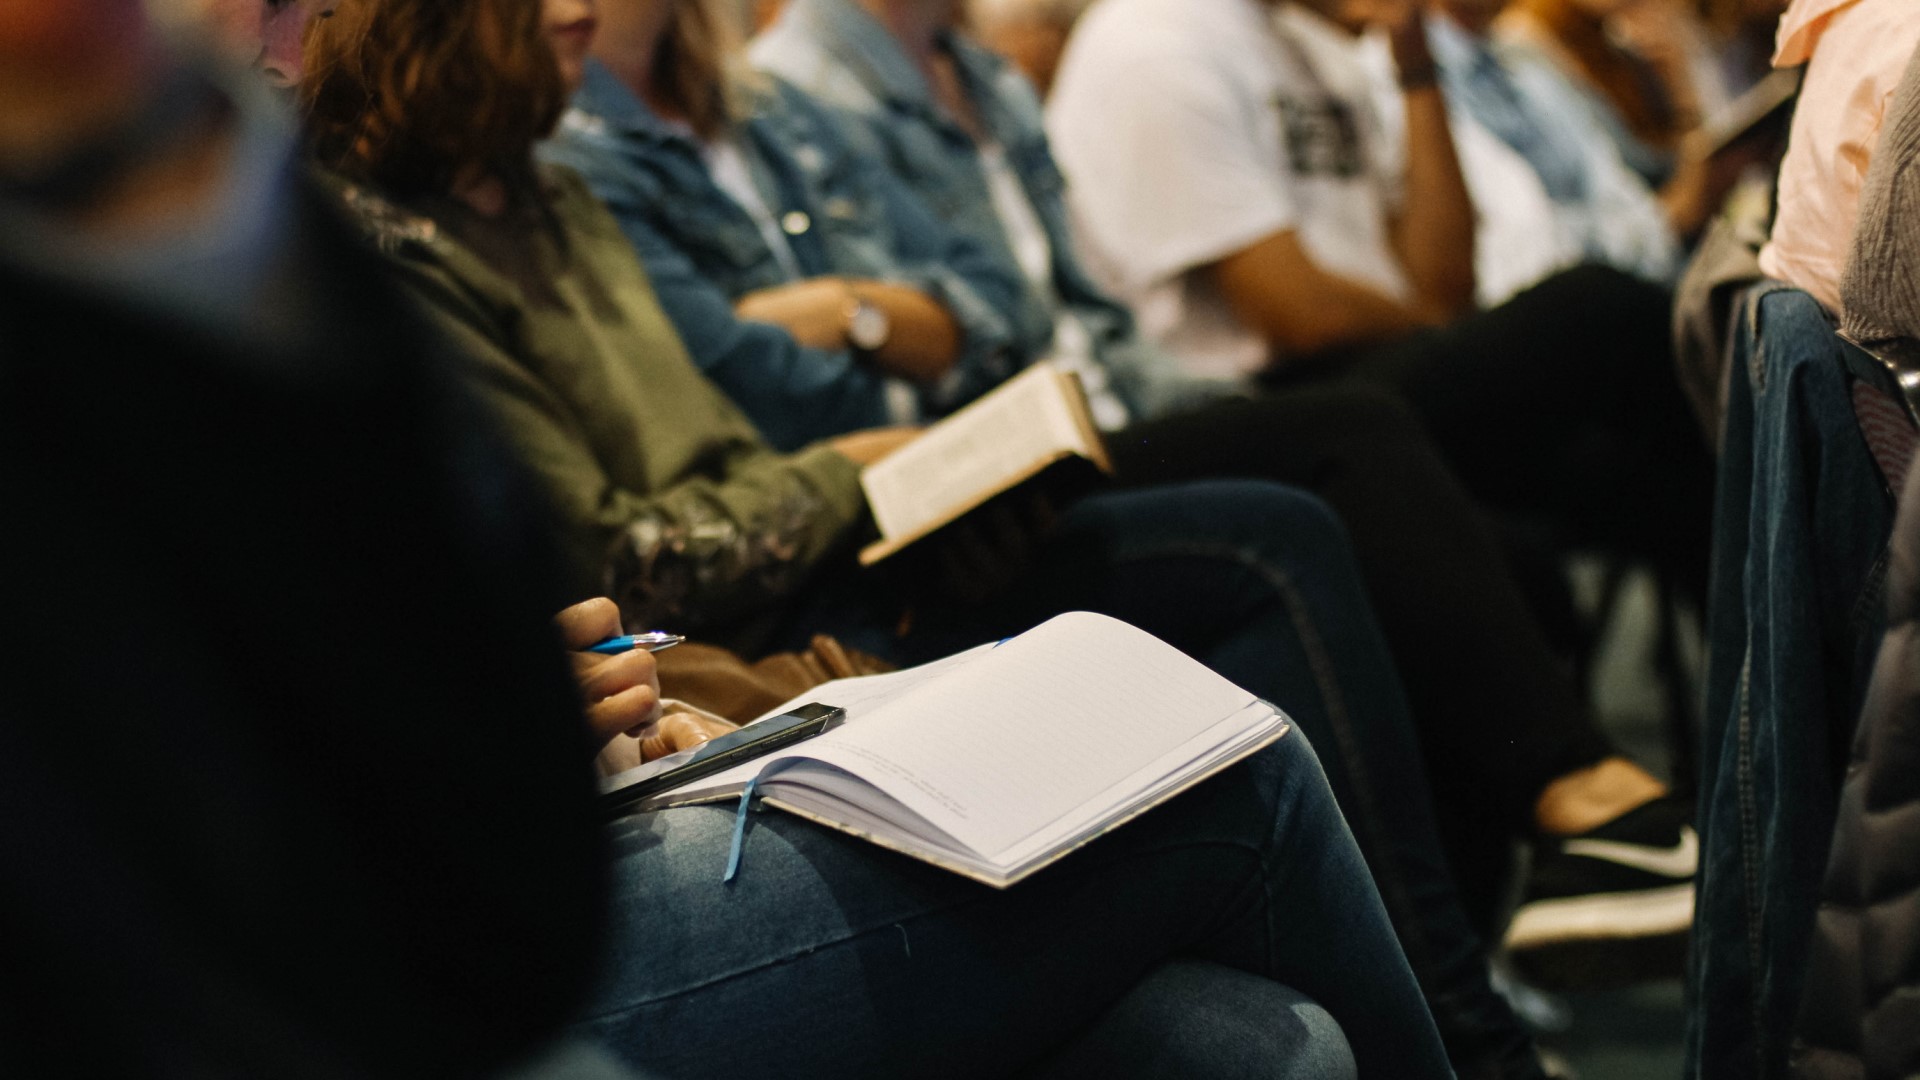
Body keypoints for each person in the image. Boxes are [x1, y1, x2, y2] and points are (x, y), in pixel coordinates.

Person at [291, 0, 1475, 1074]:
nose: (580, 11)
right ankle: (1481, 1031)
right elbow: (635, 548)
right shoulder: (376, 250)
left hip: (700, 683)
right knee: (1243, 740)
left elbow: (952, 326)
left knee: (1276, 1046)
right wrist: (854, 475)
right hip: (636, 758)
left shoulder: (560, 198)